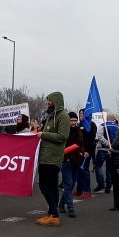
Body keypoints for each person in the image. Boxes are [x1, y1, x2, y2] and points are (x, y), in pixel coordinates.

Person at [35, 92, 69, 226]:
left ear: (56, 101)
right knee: (52, 186)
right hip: (45, 156)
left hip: (52, 157)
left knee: (44, 185)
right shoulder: (51, 116)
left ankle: (54, 214)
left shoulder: (63, 116)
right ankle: (51, 213)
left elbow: (62, 136)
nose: (47, 103)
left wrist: (43, 134)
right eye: (47, 101)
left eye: (49, 101)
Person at [59, 112, 83, 218]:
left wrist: (82, 153)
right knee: (68, 184)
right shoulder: (64, 131)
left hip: (76, 161)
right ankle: (71, 208)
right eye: (71, 120)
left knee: (72, 184)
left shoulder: (79, 131)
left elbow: (82, 144)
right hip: (66, 161)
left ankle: (61, 204)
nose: (73, 122)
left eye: (74, 120)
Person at [93, 114, 118, 196]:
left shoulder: (103, 125)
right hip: (112, 150)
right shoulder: (117, 127)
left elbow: (99, 136)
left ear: (107, 119)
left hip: (102, 149)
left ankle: (101, 183)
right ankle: (108, 186)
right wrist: (112, 145)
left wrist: (107, 143)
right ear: (114, 119)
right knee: (109, 168)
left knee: (98, 166)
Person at [76, 108, 96, 197]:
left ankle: (87, 190)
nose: (80, 115)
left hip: (87, 151)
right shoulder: (79, 124)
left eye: (82, 113)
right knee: (78, 170)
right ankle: (79, 190)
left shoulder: (92, 125)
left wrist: (87, 151)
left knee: (84, 170)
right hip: (79, 151)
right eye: (79, 113)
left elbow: (91, 140)